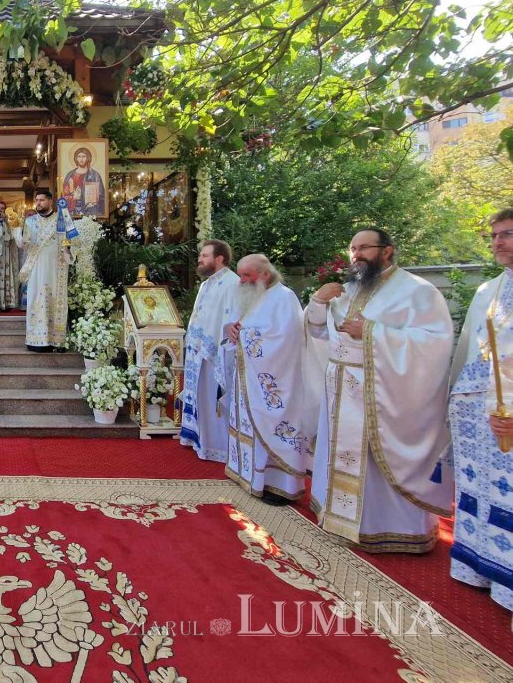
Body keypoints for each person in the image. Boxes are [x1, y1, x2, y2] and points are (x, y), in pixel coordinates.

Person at [307, 228, 454, 553]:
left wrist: (371, 331)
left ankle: (386, 529)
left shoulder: (417, 291)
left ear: (387, 251)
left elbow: (435, 343)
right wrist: (317, 302)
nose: (356, 255)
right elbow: (317, 333)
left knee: (376, 460)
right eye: (352, 248)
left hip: (383, 394)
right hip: (341, 392)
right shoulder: (346, 290)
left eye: (364, 248)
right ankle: (340, 518)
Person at [448, 208, 513, 614]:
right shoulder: (488, 289)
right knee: (481, 490)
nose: (497, 242)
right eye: (494, 236)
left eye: (506, 234)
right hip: (479, 414)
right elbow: (473, 351)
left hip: (507, 414)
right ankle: (480, 567)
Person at [217, 254, 317, 503]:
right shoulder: (254, 295)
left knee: (273, 425)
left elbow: (287, 339)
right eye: (240, 275)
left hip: (274, 380)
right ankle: (248, 473)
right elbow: (239, 326)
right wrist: (230, 330)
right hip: (249, 379)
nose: (242, 281)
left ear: (264, 274)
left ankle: (277, 485)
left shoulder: (283, 297)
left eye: (246, 275)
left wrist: (245, 337)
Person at [179, 239, 239, 462]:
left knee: (213, 399)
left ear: (219, 258)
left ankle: (218, 446)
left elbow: (230, 318)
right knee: (199, 396)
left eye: (205, 255)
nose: (200, 259)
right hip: (197, 350)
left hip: (214, 352)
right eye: (201, 256)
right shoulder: (206, 284)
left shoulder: (232, 284)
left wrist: (214, 343)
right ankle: (198, 439)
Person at [21, 189, 74, 351]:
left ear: (50, 201)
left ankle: (56, 340)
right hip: (36, 269)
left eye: (42, 200)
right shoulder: (30, 222)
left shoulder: (63, 219)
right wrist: (20, 235)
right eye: (37, 200)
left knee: (56, 300)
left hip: (56, 268)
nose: (38, 203)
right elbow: (25, 244)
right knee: (36, 300)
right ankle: (36, 340)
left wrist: (68, 248)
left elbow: (73, 239)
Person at [60, 146, 106, 217]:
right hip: (73, 212)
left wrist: (94, 199)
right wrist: (73, 197)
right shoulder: (70, 175)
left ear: (88, 158)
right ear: (76, 158)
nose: (81, 159)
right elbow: (63, 196)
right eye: (79, 156)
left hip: (90, 211)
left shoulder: (95, 175)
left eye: (84, 156)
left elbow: (102, 195)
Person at [0, 200, 19, 311]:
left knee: (6, 275)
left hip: (6, 253)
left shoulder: (8, 223)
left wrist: (6, 223)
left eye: (2, 208)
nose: (0, 210)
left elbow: (10, 238)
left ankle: (7, 303)